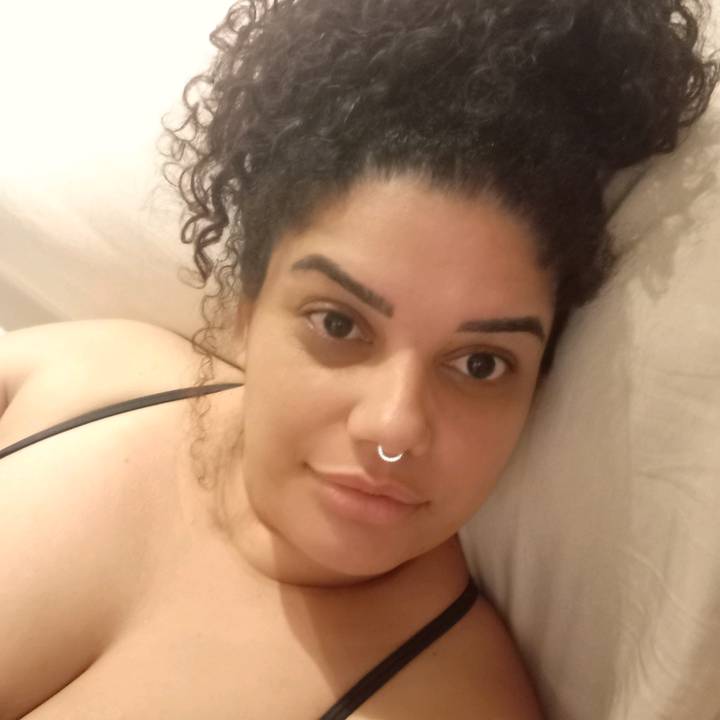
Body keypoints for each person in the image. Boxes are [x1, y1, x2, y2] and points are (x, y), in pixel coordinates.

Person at [0, 0, 717, 717]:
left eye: (480, 364)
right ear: (248, 306)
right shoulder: (91, 381)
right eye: (339, 323)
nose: (394, 426)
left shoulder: (448, 706)